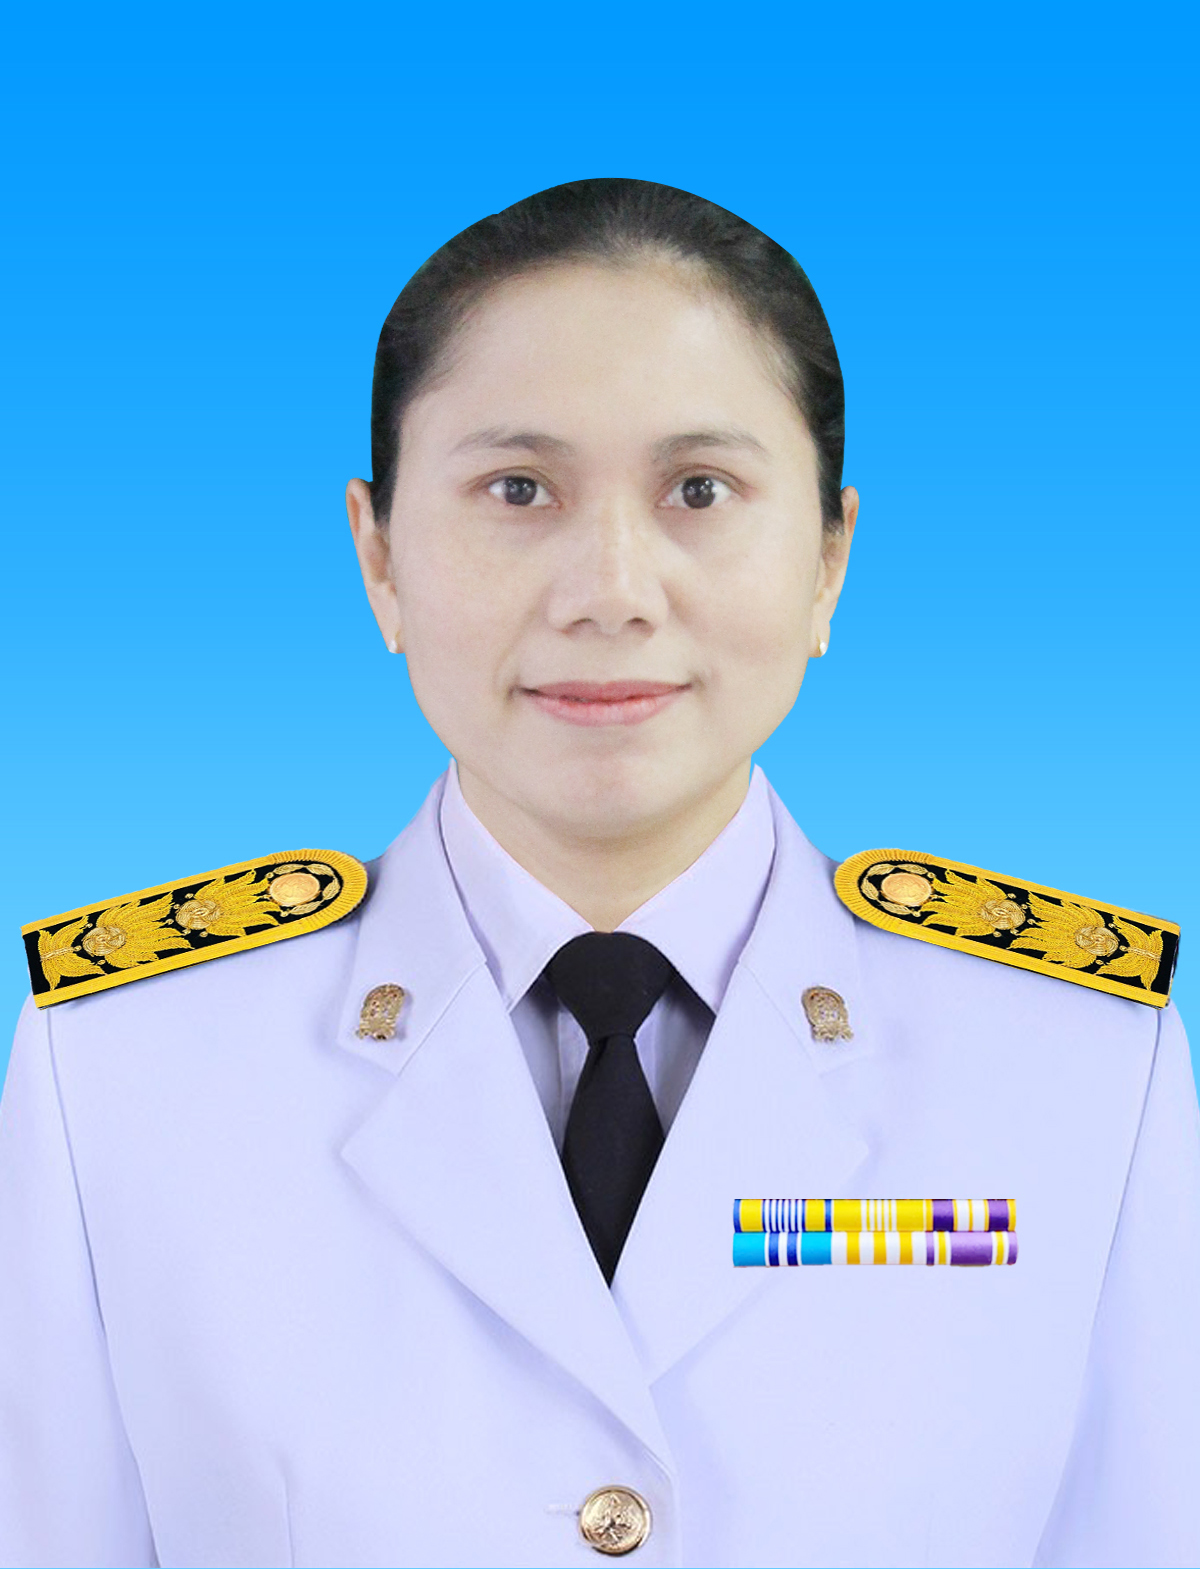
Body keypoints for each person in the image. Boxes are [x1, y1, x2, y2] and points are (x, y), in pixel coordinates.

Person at [1, 177, 1197, 1569]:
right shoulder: (123, 1067)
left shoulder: (1076, 1063)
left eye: (700, 490)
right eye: (518, 490)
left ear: (830, 557)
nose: (612, 592)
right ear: (378, 555)